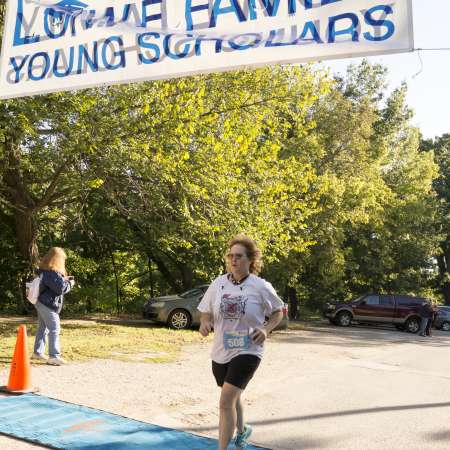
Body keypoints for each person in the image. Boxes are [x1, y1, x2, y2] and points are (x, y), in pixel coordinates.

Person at [198, 235, 283, 450]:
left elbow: (278, 311)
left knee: (226, 401)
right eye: (230, 256)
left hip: (249, 349)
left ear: (250, 260)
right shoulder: (218, 284)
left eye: (239, 256)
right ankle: (243, 431)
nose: (233, 260)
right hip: (221, 349)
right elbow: (205, 312)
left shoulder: (260, 286)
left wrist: (266, 328)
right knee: (233, 397)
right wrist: (205, 324)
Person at [32, 247, 75, 365]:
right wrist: (70, 283)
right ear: (57, 259)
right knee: (54, 328)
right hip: (47, 304)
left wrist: (63, 279)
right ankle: (53, 356)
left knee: (43, 328)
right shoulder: (51, 272)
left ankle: (37, 353)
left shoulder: (44, 271)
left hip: (40, 302)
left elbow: (55, 285)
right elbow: (60, 288)